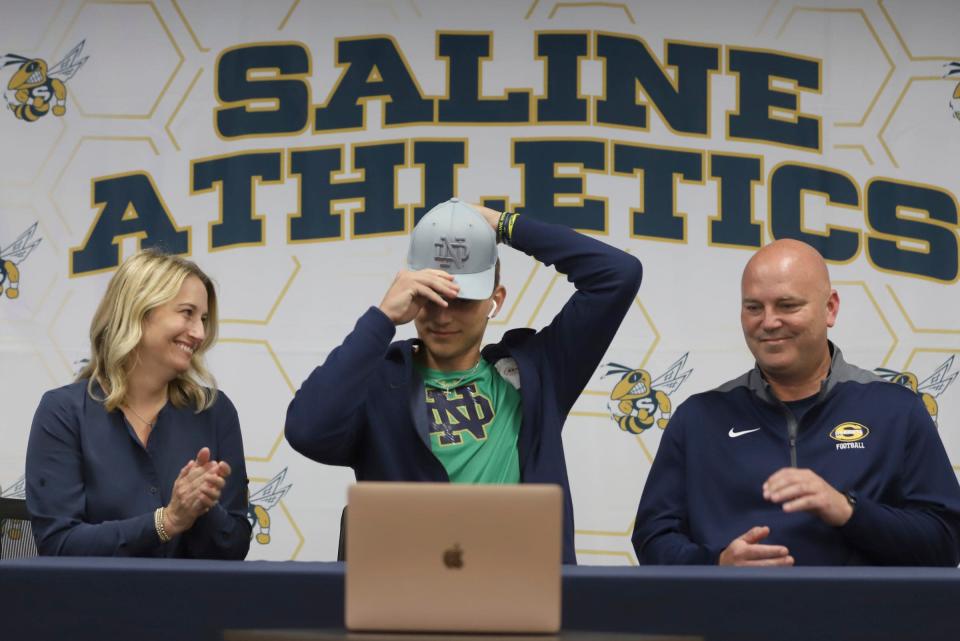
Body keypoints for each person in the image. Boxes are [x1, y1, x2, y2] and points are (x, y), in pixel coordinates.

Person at [285, 198, 643, 563]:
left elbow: (618, 274)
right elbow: (306, 430)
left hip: (519, 594)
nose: (444, 315)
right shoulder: (378, 380)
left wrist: (504, 225)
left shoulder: (539, 372)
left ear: (495, 300)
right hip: (407, 595)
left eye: (463, 300)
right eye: (431, 296)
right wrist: (382, 319)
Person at [632, 239, 960, 566]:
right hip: (734, 616)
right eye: (753, 307)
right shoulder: (698, 419)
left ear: (830, 308)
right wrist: (715, 566)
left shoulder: (895, 410)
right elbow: (652, 538)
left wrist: (849, 511)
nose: (769, 322)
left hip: (861, 617)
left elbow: (946, 542)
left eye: (787, 306)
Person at [26, 249, 251, 558]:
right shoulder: (63, 412)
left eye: (203, 319)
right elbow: (58, 545)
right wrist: (167, 521)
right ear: (139, 310)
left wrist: (201, 506)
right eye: (187, 313)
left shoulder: (214, 411)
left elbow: (234, 547)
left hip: (189, 604)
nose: (199, 333)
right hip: (95, 604)